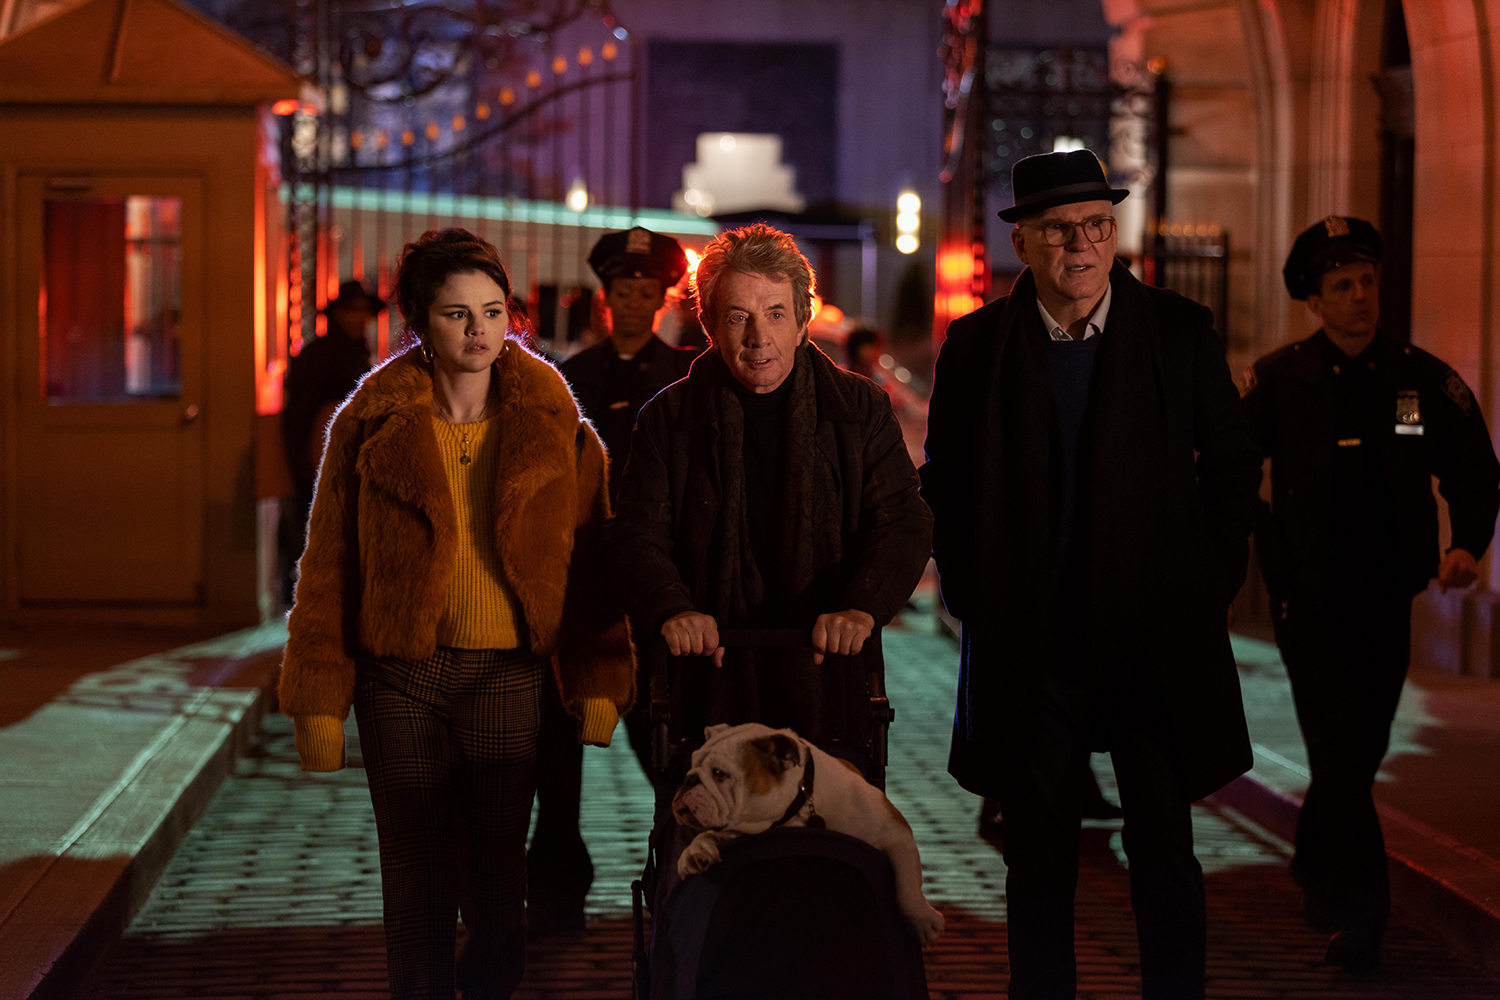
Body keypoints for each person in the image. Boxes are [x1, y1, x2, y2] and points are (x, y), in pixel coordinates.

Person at [920, 150, 1262, 999]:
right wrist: (969, 591)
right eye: (1060, 229)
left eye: (1098, 226)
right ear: (1023, 242)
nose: (1082, 245)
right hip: (1034, 643)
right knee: (1037, 855)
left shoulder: (1178, 331)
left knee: (1164, 849)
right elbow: (945, 483)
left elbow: (1232, 468)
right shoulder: (976, 346)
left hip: (1151, 638)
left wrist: (1209, 580)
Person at [277, 228, 634, 999]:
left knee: (499, 876)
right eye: (457, 314)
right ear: (418, 321)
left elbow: (590, 563)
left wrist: (599, 676)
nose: (478, 330)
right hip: (399, 675)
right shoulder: (369, 423)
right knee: (416, 867)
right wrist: (317, 698)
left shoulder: (556, 424)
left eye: (493, 311)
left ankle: (493, 980)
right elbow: (329, 565)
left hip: (509, 674)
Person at [1241, 216, 1500, 972]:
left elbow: (1474, 467)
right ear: (1314, 302)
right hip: (1307, 599)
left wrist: (1466, 544)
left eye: (1367, 281)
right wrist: (1260, 541)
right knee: (1337, 745)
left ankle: (1314, 856)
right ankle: (1364, 913)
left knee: (1362, 744)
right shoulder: (1279, 380)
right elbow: (1223, 469)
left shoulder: (1420, 379)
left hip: (1386, 596)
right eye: (1343, 286)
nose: (1361, 296)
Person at [608, 222, 932, 778]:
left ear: (803, 321)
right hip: (707, 675)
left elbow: (901, 520)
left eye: (776, 314)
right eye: (739, 317)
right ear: (710, 325)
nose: (759, 337)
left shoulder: (858, 411)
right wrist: (673, 607)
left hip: (830, 672)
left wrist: (862, 606)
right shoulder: (669, 418)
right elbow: (638, 533)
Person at [524, 228, 698, 935]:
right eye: (622, 290)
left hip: (657, 582)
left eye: (645, 291)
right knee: (557, 745)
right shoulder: (568, 376)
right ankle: (557, 885)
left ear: (661, 300)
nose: (633, 302)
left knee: (666, 742)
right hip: (580, 579)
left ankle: (680, 874)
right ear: (606, 297)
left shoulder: (687, 375)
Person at [277, 279, 382, 603]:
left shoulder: (353, 351)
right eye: (352, 310)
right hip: (319, 460)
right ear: (337, 314)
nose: (359, 317)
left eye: (364, 311)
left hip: (342, 458)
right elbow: (300, 417)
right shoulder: (322, 356)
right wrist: (300, 467)